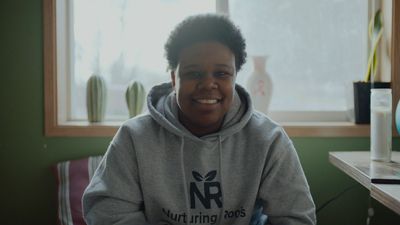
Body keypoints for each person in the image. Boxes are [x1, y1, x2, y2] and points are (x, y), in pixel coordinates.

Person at [82, 14, 316, 225]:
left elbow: (297, 216)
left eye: (222, 73)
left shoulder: (268, 139)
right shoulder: (134, 137)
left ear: (235, 77)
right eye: (193, 73)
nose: (208, 84)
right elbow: (107, 211)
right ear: (174, 79)